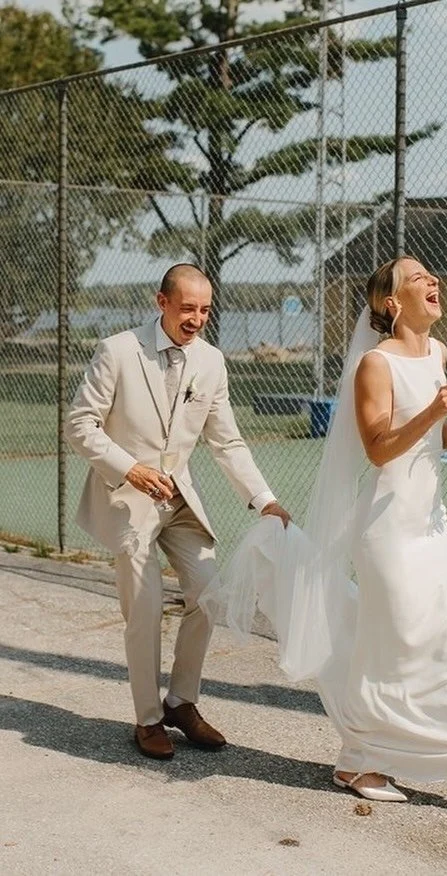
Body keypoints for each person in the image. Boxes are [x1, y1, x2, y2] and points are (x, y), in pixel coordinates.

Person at [204, 256, 447, 809]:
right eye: (420, 278)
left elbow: (435, 440)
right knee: (394, 650)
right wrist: (433, 412)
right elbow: (380, 448)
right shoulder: (375, 364)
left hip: (432, 524)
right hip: (388, 530)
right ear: (393, 303)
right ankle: (358, 761)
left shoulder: (441, 354)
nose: (434, 281)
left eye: (432, 275)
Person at [65, 263, 291, 760]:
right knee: (143, 610)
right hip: (126, 499)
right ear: (161, 302)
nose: (197, 319)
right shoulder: (117, 351)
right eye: (188, 307)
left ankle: (181, 703)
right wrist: (130, 469)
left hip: (180, 500)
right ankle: (147, 720)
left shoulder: (211, 362)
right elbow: (80, 424)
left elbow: (226, 441)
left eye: (206, 310)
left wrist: (264, 499)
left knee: (208, 593)